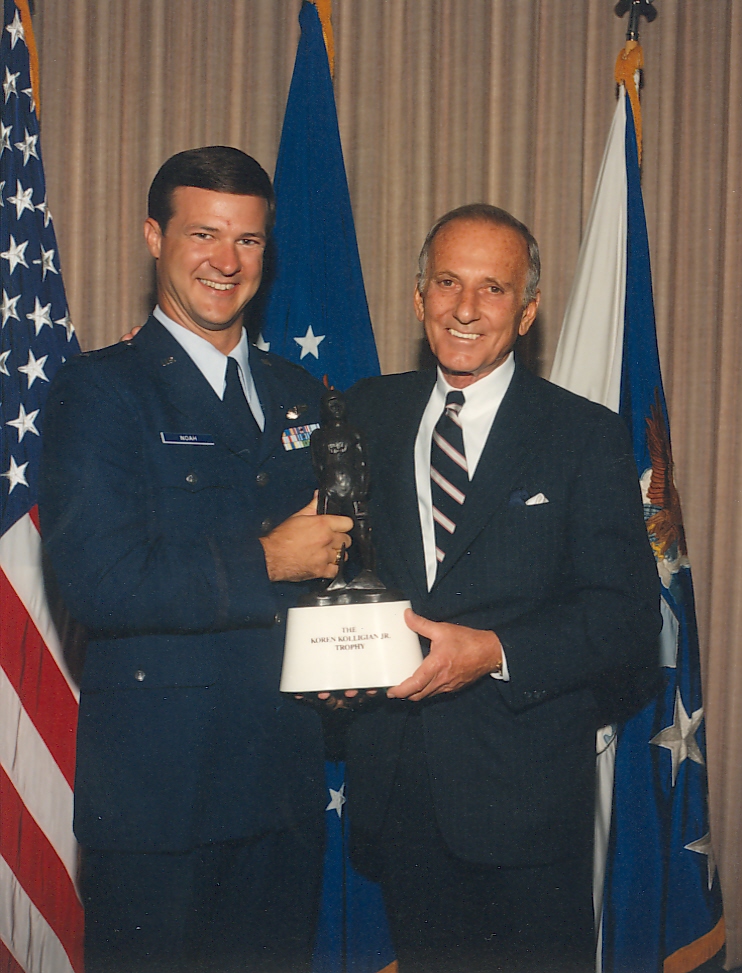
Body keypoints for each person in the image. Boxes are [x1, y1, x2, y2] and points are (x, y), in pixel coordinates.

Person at [39, 146, 353, 973]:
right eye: (203, 234)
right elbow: (101, 583)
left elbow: (332, 568)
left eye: (248, 240)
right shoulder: (100, 391)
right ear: (155, 236)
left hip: (282, 793)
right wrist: (266, 561)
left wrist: (347, 653)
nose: (227, 261)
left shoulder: (302, 394)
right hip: (159, 806)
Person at [343, 204, 662, 973]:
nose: (465, 308)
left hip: (527, 805)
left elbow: (627, 618)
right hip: (401, 794)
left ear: (527, 311)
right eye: (448, 282)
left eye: (493, 288)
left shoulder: (583, 435)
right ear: (418, 296)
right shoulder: (364, 412)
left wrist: (494, 651)